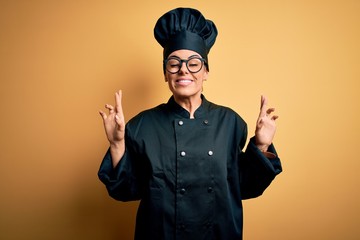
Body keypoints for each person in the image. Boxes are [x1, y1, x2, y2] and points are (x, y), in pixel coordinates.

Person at [98, 7, 282, 240]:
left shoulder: (231, 123)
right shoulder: (142, 125)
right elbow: (125, 190)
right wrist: (116, 144)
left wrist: (262, 147)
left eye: (194, 63)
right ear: (166, 74)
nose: (183, 69)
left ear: (205, 71)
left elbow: (245, 187)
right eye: (174, 63)